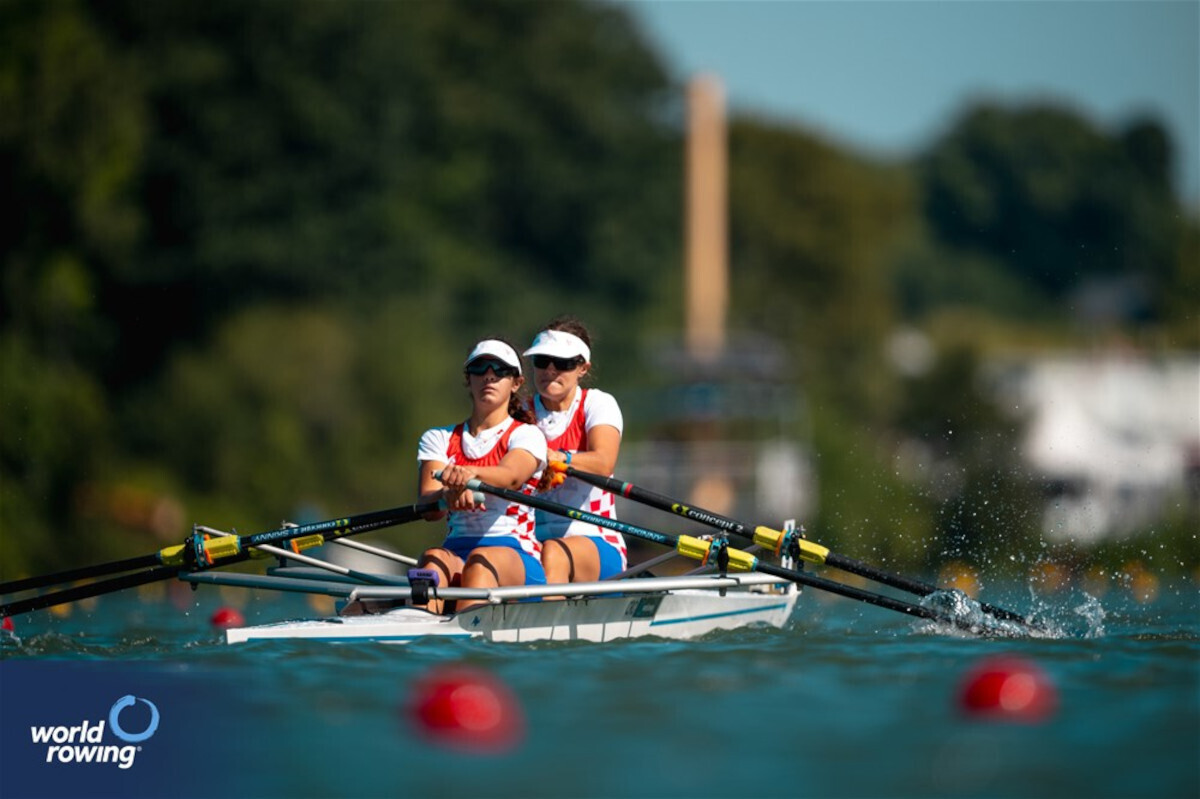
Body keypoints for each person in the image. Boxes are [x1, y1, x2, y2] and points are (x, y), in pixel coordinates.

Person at [415, 338, 548, 613]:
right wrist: (447, 495)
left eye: (500, 369)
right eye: (479, 368)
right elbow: (430, 508)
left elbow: (511, 476)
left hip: (517, 554)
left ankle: (466, 645)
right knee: (430, 560)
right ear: (468, 378)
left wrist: (467, 475)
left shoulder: (527, 435)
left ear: (516, 383)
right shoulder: (437, 438)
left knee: (479, 562)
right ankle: (418, 636)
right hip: (455, 549)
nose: (489, 375)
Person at [523, 316, 627, 583]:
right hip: (529, 539)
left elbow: (604, 462)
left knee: (553, 553)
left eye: (563, 363)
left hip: (596, 537)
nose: (550, 370)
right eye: (542, 361)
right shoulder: (520, 413)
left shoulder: (598, 404)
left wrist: (560, 458)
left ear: (583, 367)